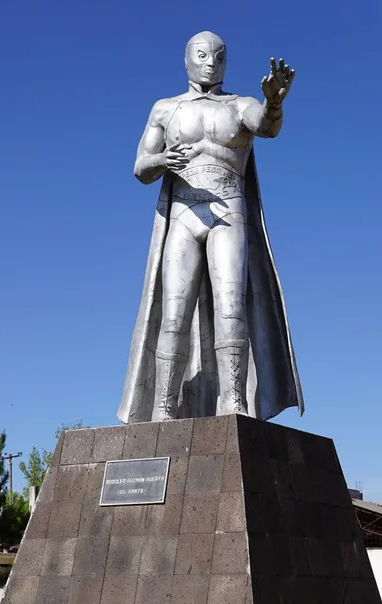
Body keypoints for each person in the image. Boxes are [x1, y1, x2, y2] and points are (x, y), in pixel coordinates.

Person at [118, 31, 304, 423]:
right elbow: (140, 168)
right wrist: (162, 160)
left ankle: (233, 400)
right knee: (174, 314)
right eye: (202, 55)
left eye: (219, 57)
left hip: (227, 211)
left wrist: (273, 103)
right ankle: (164, 407)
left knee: (231, 306)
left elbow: (266, 127)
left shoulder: (239, 105)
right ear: (186, 60)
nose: (210, 63)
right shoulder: (165, 109)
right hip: (184, 215)